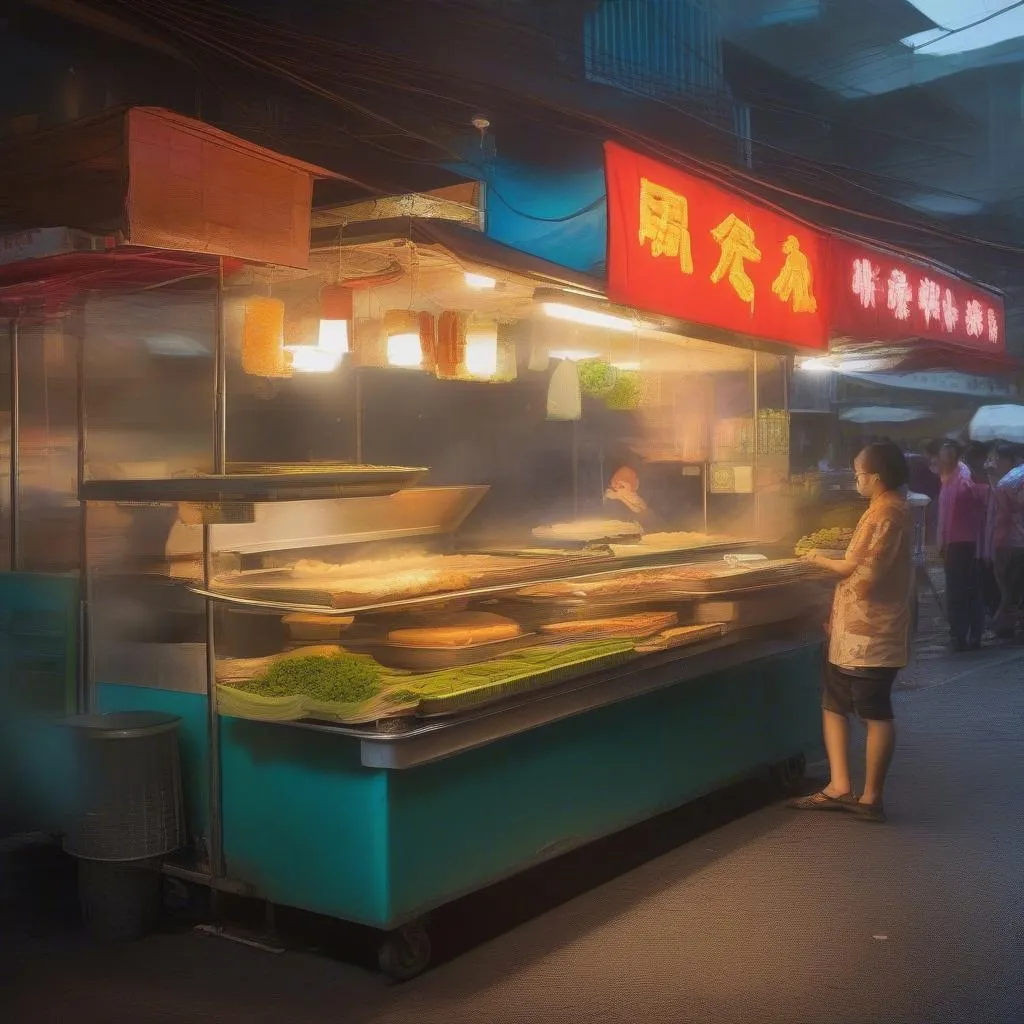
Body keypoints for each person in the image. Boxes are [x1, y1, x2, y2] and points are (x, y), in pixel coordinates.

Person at [790, 441, 913, 823]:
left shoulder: (885, 513)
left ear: (875, 476)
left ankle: (871, 796)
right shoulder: (887, 509)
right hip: (850, 632)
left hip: (870, 634)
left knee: (874, 713)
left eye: (859, 472)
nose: (856, 478)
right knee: (834, 705)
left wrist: (814, 558)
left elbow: (853, 569)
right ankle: (839, 786)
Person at [936, 440, 987, 651]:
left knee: (965, 590)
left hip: (966, 542)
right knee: (960, 590)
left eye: (946, 453)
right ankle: (962, 633)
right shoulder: (948, 478)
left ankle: (968, 634)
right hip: (956, 542)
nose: (941, 458)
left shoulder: (963, 476)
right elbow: (944, 516)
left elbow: (975, 498)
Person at [989, 442, 1024, 639]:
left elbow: (1000, 518)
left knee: (1009, 589)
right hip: (1016, 542)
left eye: (995, 459)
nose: (993, 463)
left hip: (1010, 543)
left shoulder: (1007, 481)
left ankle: (1006, 626)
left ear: (1006, 460)